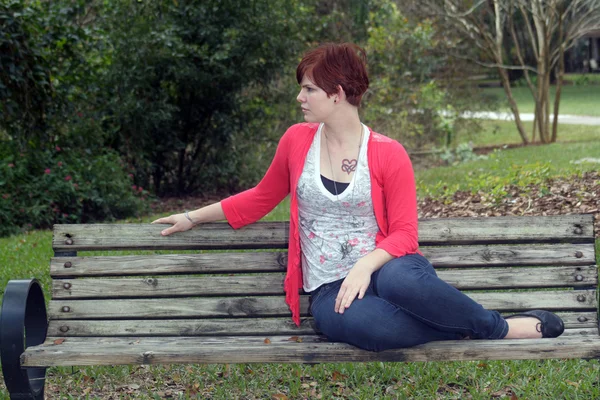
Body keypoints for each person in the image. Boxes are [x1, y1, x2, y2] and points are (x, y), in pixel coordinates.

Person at [152, 43, 564, 352]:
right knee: (376, 331)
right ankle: (488, 327)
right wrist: (193, 216)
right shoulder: (297, 141)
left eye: (308, 89)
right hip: (330, 289)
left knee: (405, 281)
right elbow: (262, 196)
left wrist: (365, 266)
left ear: (337, 93)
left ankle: (499, 327)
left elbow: (404, 234)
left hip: (386, 270)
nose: (300, 98)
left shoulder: (388, 152)